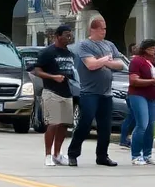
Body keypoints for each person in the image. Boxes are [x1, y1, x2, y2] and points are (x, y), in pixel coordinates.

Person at [66, 17, 126, 167]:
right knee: (85, 123)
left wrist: (104, 62)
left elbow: (120, 64)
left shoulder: (109, 45)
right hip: (89, 92)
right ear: (93, 29)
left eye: (105, 29)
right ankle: (72, 153)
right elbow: (91, 65)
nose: (104, 31)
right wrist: (106, 60)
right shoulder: (85, 45)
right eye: (102, 29)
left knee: (105, 126)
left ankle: (102, 156)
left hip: (106, 93)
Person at [33, 24, 76, 167]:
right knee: (52, 124)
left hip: (67, 93)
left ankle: (58, 154)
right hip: (52, 92)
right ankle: (48, 155)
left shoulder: (70, 54)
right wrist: (53, 77)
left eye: (70, 34)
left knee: (64, 125)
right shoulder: (48, 52)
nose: (69, 37)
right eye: (66, 34)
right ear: (57, 36)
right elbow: (37, 71)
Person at [126, 39, 155, 166]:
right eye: (152, 48)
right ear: (145, 49)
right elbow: (134, 81)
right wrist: (153, 81)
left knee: (150, 127)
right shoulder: (137, 61)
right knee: (142, 124)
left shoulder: (152, 63)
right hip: (138, 95)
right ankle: (136, 155)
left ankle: (147, 154)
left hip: (152, 96)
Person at [118, 43, 140, 149]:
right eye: (135, 48)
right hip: (131, 93)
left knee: (134, 117)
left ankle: (126, 138)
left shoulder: (136, 60)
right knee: (131, 117)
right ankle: (123, 139)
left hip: (133, 93)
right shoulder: (133, 61)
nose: (137, 49)